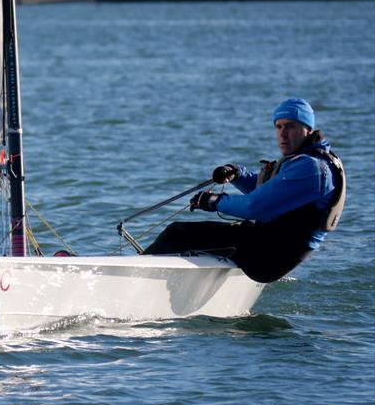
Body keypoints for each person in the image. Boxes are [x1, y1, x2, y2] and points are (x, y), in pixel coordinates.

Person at [143, 98, 346, 283]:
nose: (283, 134)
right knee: (192, 237)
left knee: (177, 233)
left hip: (272, 255)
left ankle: (138, 280)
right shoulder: (309, 160)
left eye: (291, 127)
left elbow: (254, 206)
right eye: (279, 127)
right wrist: (238, 174)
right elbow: (270, 191)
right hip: (271, 244)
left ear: (308, 129)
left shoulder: (312, 169)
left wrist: (213, 201)